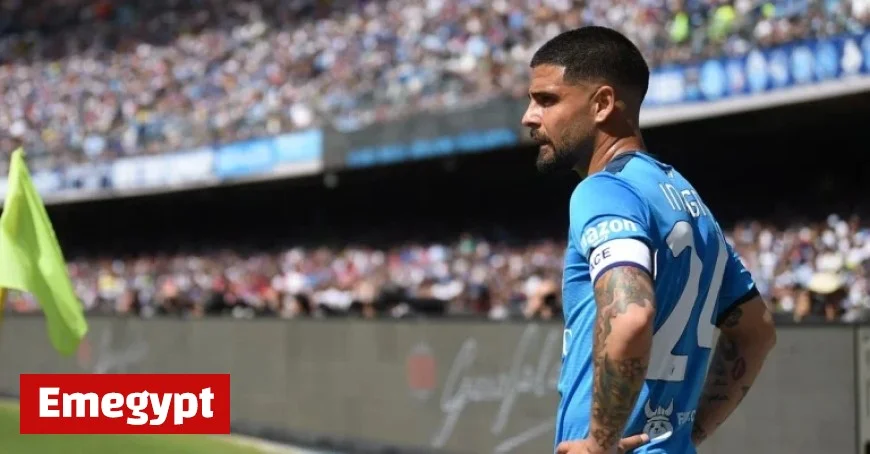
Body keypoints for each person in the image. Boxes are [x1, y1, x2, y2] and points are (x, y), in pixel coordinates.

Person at [520, 26, 777, 454]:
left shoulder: (603, 190)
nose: (529, 116)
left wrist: (600, 443)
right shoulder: (688, 202)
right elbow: (758, 332)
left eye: (546, 99)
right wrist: (689, 435)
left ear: (602, 103)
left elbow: (631, 316)